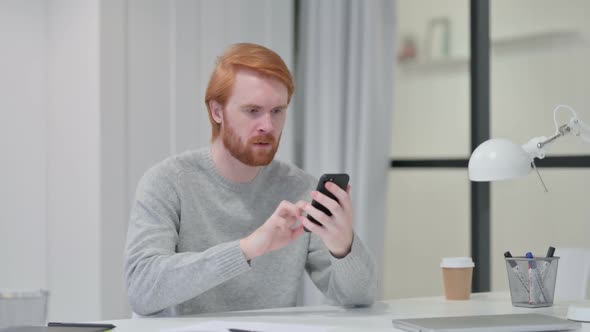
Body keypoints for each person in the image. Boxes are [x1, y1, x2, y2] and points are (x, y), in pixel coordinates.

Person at [124, 43, 376, 316]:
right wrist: (247, 248)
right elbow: (141, 290)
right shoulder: (168, 182)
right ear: (217, 112)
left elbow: (359, 298)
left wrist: (343, 247)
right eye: (252, 110)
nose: (268, 126)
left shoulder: (299, 188)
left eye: (277, 111)